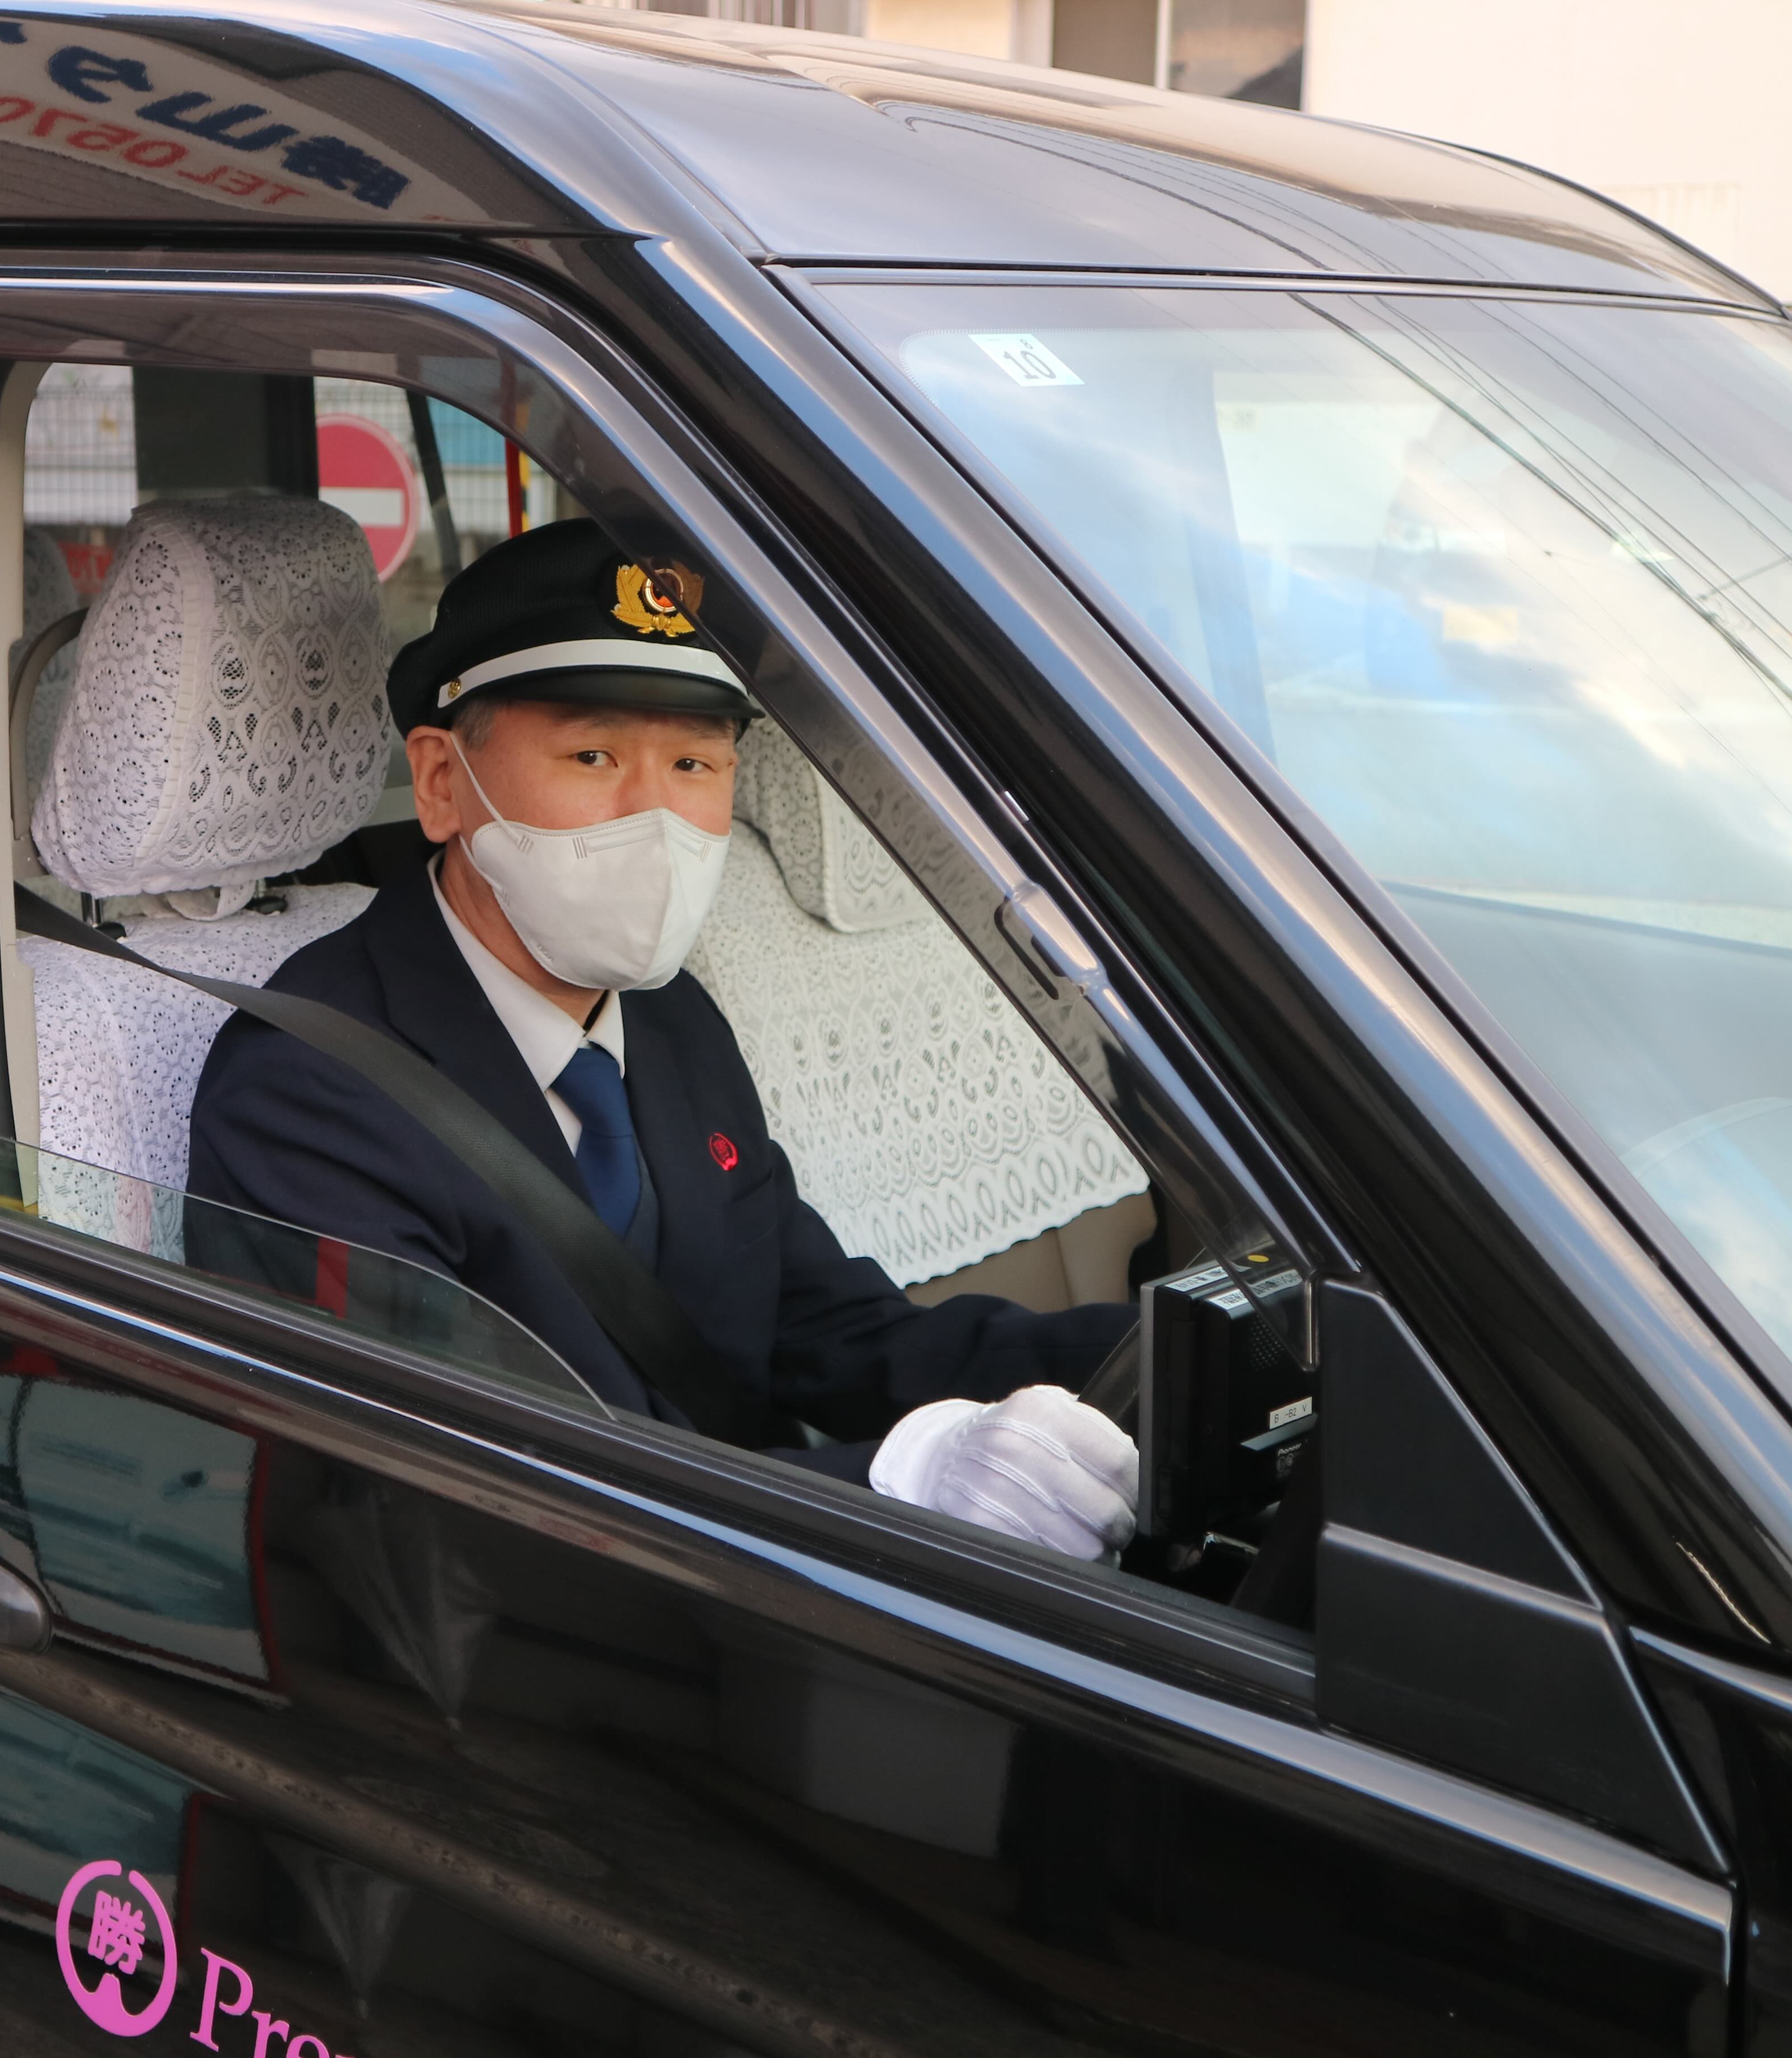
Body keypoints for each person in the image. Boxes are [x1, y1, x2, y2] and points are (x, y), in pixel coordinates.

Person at [187, 520, 1144, 1561]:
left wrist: (1137, 1367)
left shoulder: (672, 1019)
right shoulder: (311, 1089)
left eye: (694, 762)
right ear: (442, 783)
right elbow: (450, 1485)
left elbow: (821, 1329)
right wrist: (895, 1486)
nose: (658, 818)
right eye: (593, 755)